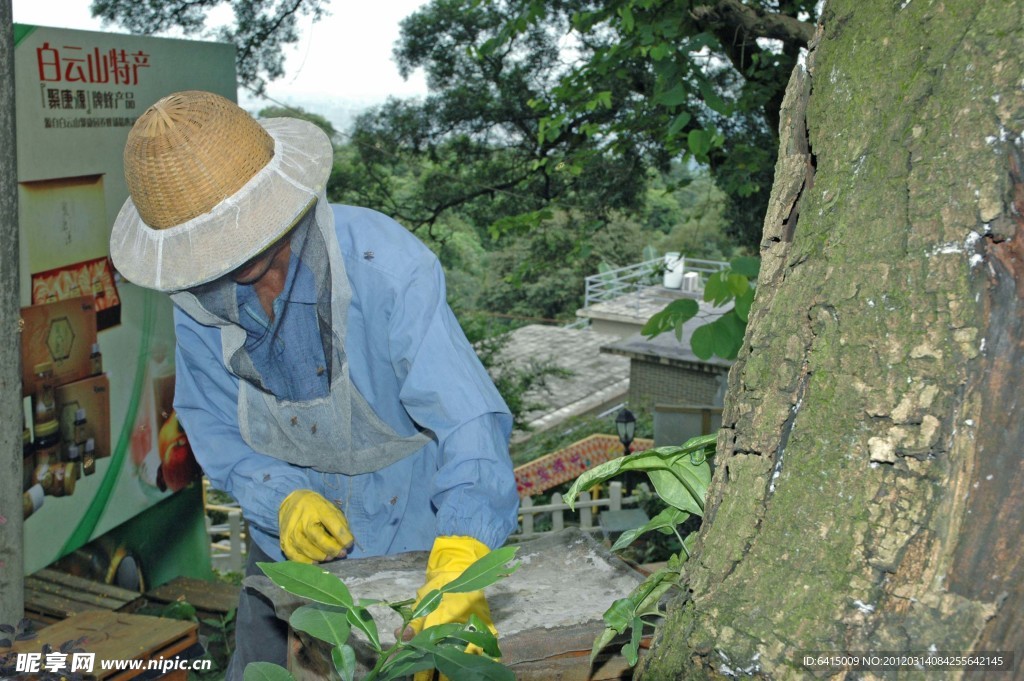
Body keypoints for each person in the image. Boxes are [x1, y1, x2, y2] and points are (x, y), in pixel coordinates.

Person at [109, 90, 519, 679]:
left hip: (418, 535)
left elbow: (467, 418)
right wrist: (281, 497)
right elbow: (215, 425)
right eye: (208, 253)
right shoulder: (198, 303)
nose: (232, 266)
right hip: (290, 552)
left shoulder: (384, 266)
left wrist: (464, 552)